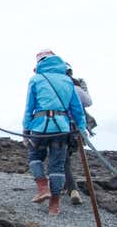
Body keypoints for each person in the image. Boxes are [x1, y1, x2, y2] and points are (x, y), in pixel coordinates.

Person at [23, 49, 86, 216]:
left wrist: (26, 128)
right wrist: (81, 128)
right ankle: (54, 205)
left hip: (40, 126)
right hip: (62, 128)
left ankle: (43, 187)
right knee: (57, 166)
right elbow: (77, 109)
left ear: (39, 63)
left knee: (35, 157)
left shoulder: (36, 80)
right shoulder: (68, 81)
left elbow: (29, 107)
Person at [63, 62, 93, 204]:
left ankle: (72, 188)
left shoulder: (56, 85)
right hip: (75, 128)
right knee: (66, 157)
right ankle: (67, 186)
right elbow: (88, 102)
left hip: (58, 126)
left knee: (63, 159)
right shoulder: (76, 87)